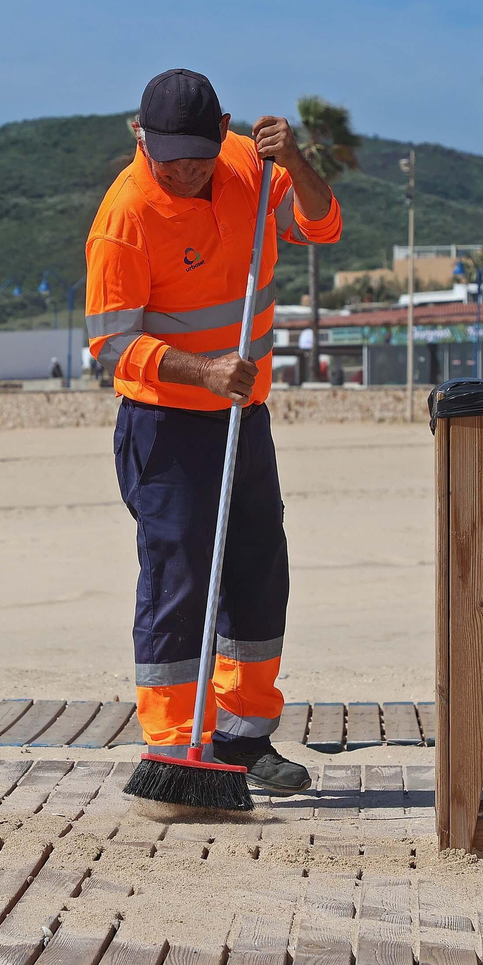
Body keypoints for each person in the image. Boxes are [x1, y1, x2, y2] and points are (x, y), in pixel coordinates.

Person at [86, 68, 343, 795]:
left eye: (196, 154)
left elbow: (322, 224)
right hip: (163, 425)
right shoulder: (125, 215)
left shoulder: (246, 166)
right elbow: (110, 344)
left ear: (220, 131)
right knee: (180, 580)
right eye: (169, 156)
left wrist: (295, 163)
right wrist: (202, 373)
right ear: (140, 137)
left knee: (259, 570)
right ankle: (173, 746)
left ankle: (242, 737)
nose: (185, 169)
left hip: (241, 418)